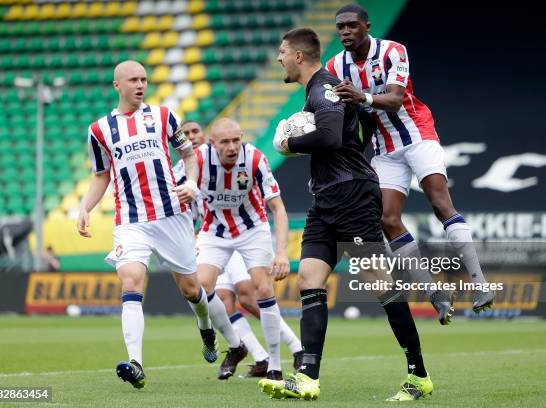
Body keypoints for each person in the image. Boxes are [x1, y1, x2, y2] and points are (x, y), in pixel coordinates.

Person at [259, 28, 434, 401]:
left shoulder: (323, 89)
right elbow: (357, 126)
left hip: (352, 195)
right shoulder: (321, 91)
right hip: (325, 198)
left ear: (300, 57)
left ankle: (418, 374)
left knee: (381, 284)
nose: (279, 59)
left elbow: (329, 138)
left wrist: (289, 143)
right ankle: (307, 376)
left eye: (283, 52)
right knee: (308, 279)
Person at [328, 4, 494, 313]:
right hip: (384, 148)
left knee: (440, 203)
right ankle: (435, 293)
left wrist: (361, 96)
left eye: (352, 25)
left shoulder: (393, 51)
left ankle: (480, 284)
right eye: (341, 27)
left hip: (417, 134)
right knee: (387, 219)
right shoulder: (335, 66)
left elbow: (394, 99)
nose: (346, 32)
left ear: (367, 26)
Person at [77, 60, 217, 389]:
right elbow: (101, 175)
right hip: (130, 219)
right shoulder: (99, 130)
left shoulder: (165, 117)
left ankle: (206, 328)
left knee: (191, 289)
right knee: (131, 283)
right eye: (133, 80)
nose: (140, 85)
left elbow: (188, 155)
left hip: (171, 214)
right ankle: (136, 363)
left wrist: (193, 184)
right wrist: (85, 207)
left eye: (144, 79)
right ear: (117, 86)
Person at [173, 121, 303, 378]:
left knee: (260, 289)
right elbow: (168, 192)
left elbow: (278, 208)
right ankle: (236, 344)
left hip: (252, 229)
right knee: (200, 288)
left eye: (236, 140)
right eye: (225, 142)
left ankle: (276, 366)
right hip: (214, 232)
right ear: (213, 143)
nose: (232, 147)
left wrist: (281, 253)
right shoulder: (196, 160)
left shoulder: (255, 158)